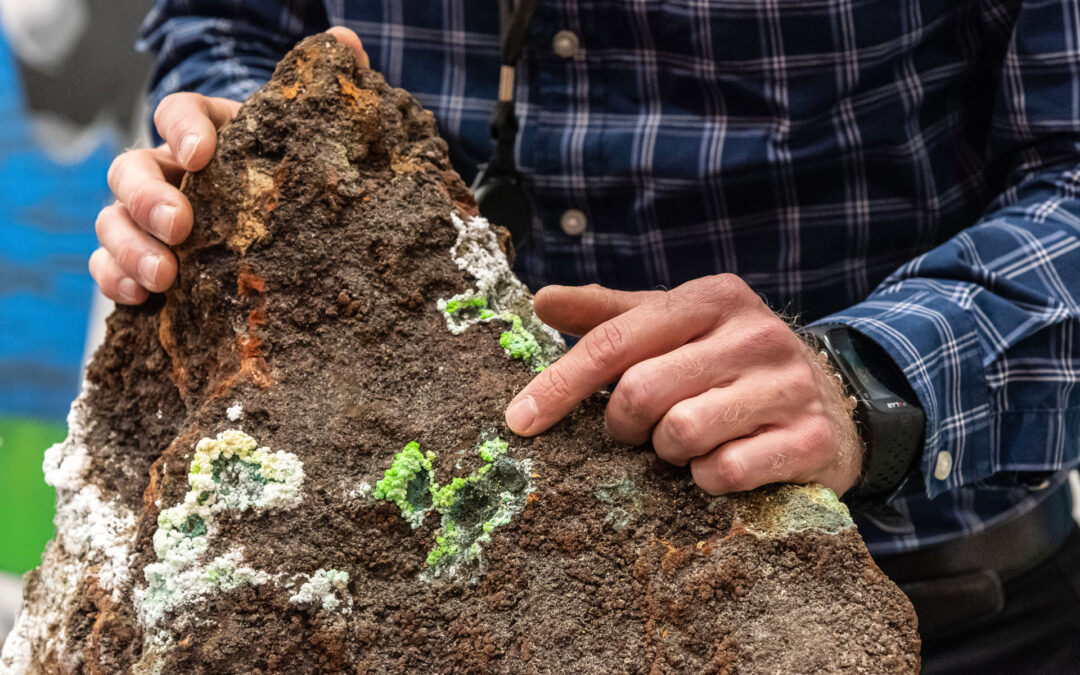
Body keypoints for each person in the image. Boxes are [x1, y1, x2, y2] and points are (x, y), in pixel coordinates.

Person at [93, 2, 1080, 671]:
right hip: (399, 602)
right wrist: (242, 147)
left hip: (911, 598)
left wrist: (871, 376)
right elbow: (224, 19)